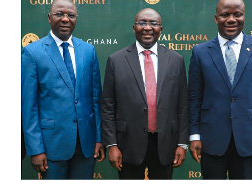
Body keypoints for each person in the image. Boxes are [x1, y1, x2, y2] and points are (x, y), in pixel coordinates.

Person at [188, 0, 252, 179]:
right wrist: (194, 135)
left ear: (244, 17)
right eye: (225, 15)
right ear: (216, 18)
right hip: (211, 139)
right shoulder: (200, 51)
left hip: (250, 138)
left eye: (237, 14)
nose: (231, 19)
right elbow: (194, 98)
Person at [101, 8, 189, 179]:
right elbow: (108, 106)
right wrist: (111, 144)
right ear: (134, 28)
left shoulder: (176, 60)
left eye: (153, 23)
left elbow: (183, 105)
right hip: (128, 144)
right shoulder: (116, 60)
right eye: (142, 23)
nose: (147, 27)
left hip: (165, 144)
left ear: (160, 30)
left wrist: (182, 143)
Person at [21, 0, 105, 179]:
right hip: (51, 146)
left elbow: (96, 99)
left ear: (76, 19)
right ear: (49, 17)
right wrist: (36, 149)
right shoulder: (32, 53)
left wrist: (99, 138)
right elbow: (29, 106)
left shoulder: (88, 51)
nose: (66, 19)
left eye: (71, 15)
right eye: (60, 14)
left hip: (86, 145)